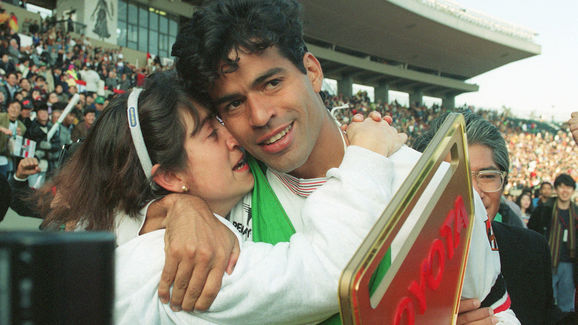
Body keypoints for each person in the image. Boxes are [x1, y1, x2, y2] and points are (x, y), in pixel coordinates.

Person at [157, 0, 517, 323]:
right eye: (233, 103)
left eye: (271, 83)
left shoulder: (433, 186)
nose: (260, 115)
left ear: (312, 72)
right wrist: (182, 207)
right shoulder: (228, 195)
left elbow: (497, 311)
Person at [39, 71, 406, 324]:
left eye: (220, 121)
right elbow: (329, 272)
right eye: (210, 135)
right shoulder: (183, 264)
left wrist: (175, 206)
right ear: (168, 176)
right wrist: (369, 152)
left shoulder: (132, 231)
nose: (233, 136)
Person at [413, 111, 569, 325]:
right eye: (456, 177)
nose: (475, 194)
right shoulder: (400, 267)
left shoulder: (531, 249)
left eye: (487, 176)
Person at [529, 173, 577, 313]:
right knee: (545, 302)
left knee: (566, 305)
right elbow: (532, 232)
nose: (565, 191)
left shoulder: (576, 213)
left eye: (568, 187)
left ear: (573, 190)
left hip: (569, 263)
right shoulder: (544, 209)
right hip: (547, 262)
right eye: (561, 187)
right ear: (556, 189)